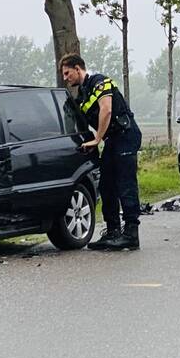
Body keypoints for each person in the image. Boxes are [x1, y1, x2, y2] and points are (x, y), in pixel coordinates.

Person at [59, 53, 142, 251]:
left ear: (78, 68)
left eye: (67, 73)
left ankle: (131, 233)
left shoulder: (99, 81)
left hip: (125, 135)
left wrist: (97, 139)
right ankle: (113, 232)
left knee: (125, 184)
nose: (65, 78)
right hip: (112, 140)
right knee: (106, 186)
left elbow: (107, 110)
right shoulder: (82, 95)